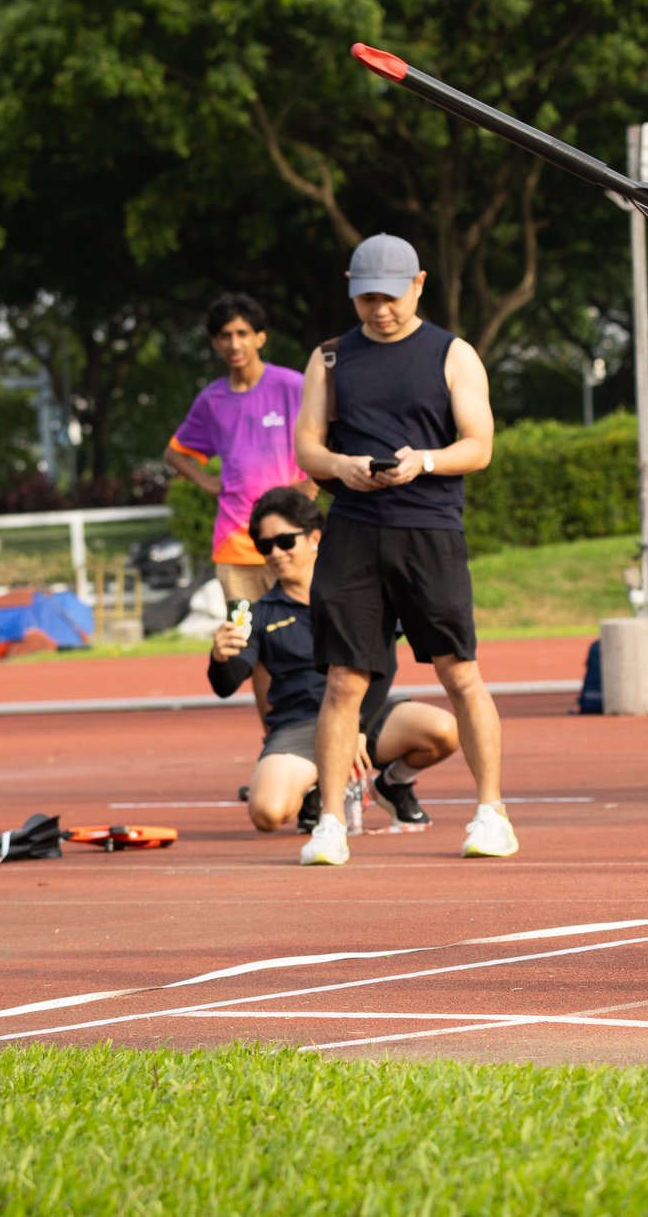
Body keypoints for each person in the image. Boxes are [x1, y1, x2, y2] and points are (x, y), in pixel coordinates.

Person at [293, 233, 513, 867]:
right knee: (343, 681)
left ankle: (492, 811)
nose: (379, 310)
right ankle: (330, 822)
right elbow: (308, 447)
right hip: (353, 528)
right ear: (350, 288)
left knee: (459, 672)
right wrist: (342, 464)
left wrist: (426, 461)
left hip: (430, 530)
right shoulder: (331, 358)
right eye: (366, 299)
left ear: (418, 284)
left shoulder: (454, 353)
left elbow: (480, 445)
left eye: (390, 297)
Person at [207, 487, 459, 835]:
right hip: (301, 727)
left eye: (285, 541)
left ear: (314, 538)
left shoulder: (358, 594)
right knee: (267, 812)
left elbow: (385, 661)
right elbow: (226, 683)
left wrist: (355, 726)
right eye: (265, 546)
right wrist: (219, 657)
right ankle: (316, 787)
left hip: (363, 715)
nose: (275, 554)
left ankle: (392, 784)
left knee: (444, 730)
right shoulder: (258, 613)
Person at [165, 293, 312, 601]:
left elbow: (329, 435)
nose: (234, 344)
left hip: (289, 538)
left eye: (242, 334)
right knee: (245, 642)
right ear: (215, 343)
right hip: (235, 542)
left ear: (260, 337)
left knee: (299, 637)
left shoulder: (293, 385)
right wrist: (206, 483)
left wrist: (312, 484)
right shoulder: (211, 400)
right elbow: (173, 453)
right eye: (225, 336)